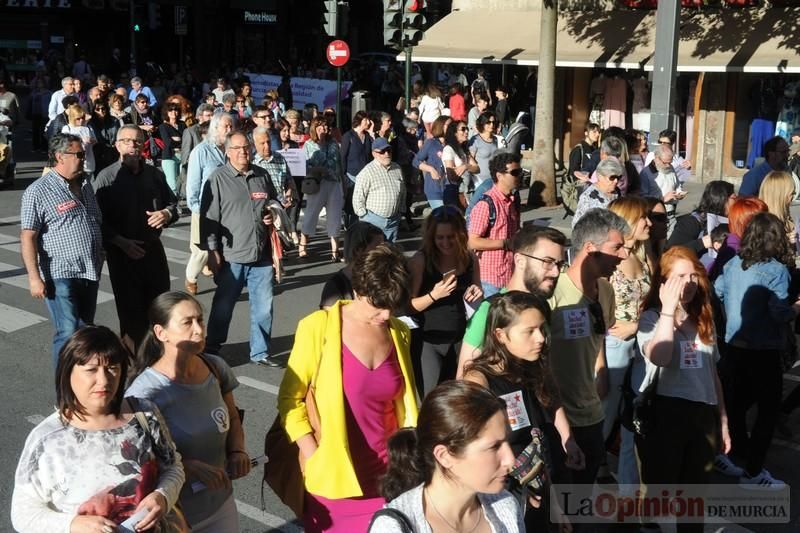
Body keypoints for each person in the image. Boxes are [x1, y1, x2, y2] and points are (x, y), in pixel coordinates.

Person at [278, 244, 420, 533]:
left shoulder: (399, 332)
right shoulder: (317, 327)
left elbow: (402, 405)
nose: (385, 315)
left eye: (392, 306)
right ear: (358, 291)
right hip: (334, 479)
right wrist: (312, 450)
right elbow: (289, 399)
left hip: (391, 478)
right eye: (378, 306)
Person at [11, 325, 185, 533]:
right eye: (91, 370)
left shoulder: (144, 414)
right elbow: (23, 513)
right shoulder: (47, 438)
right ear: (68, 373)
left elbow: (173, 467)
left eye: (112, 368)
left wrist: (163, 496)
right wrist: (71, 525)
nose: (103, 381)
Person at [126, 292, 250, 531]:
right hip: (176, 515)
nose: (199, 330)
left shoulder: (215, 367)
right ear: (161, 333)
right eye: (187, 323)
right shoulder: (143, 394)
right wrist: (187, 467)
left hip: (220, 504)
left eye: (200, 320)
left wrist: (237, 451)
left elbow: (232, 416)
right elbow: (134, 462)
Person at [463, 291, 584, 531]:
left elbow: (550, 406)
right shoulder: (479, 381)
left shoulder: (531, 365)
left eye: (541, 329)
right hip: (511, 491)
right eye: (529, 331)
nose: (540, 338)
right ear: (500, 335)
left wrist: (567, 440)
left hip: (547, 478)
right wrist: (509, 492)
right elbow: (473, 450)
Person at [637, 246, 730, 531]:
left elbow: (712, 373)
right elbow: (660, 356)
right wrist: (667, 311)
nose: (688, 283)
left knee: (694, 497)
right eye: (680, 277)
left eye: (693, 275)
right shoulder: (652, 318)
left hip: (701, 415)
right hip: (667, 413)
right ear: (663, 282)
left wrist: (723, 420)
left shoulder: (703, 317)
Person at [370, 381, 523, 533]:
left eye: (507, 442)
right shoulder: (393, 527)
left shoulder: (505, 506)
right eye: (494, 447)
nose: (510, 459)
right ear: (445, 456)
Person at [714, 212, 799, 488]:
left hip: (734, 345)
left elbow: (718, 291)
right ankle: (753, 471)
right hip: (763, 350)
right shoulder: (776, 271)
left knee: (736, 403)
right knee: (768, 409)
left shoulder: (733, 264)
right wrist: (796, 308)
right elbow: (778, 313)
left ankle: (737, 451)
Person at [548, 208, 629, 489]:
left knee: (581, 498)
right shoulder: (552, 294)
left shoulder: (605, 291)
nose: (624, 255)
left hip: (593, 416)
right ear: (590, 248)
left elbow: (598, 334)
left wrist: (601, 365)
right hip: (558, 420)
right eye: (617, 247)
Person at [93, 125, 178, 353]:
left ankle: (160, 356)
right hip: (122, 254)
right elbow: (96, 220)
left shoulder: (154, 174)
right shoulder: (106, 178)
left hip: (152, 250)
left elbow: (172, 204)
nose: (133, 145)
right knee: (132, 315)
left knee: (161, 308)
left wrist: (166, 214)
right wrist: (121, 242)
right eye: (127, 141)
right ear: (117, 145)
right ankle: (135, 366)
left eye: (138, 141)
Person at [21, 133, 103, 368]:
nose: (83, 158)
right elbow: (28, 236)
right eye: (79, 154)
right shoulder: (38, 191)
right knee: (68, 332)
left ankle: (80, 386)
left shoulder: (86, 184)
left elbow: (95, 221)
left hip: (90, 270)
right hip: (60, 272)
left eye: (84, 153)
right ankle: (64, 395)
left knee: (85, 330)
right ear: (60, 157)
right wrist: (34, 278)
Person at [200, 131, 280, 367]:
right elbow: (209, 220)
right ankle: (212, 347)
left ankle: (260, 352)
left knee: (264, 307)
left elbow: (272, 204)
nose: (243, 151)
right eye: (237, 148)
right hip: (231, 256)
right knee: (223, 307)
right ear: (227, 152)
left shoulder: (261, 175)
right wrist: (213, 254)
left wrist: (270, 215)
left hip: (261, 253)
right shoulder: (217, 179)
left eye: (246, 147)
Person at [457, 225, 568, 377]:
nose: (556, 272)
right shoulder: (489, 310)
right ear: (520, 260)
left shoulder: (542, 305)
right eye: (547, 262)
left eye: (560, 264)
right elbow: (465, 376)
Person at [604, 196, 654, 493]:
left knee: (632, 421)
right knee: (605, 418)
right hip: (613, 348)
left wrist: (638, 326)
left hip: (640, 346)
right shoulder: (611, 258)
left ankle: (627, 493)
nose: (648, 222)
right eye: (642, 218)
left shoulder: (645, 254)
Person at [409, 207, 483, 396]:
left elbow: (478, 292)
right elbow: (407, 307)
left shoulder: (469, 259)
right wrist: (434, 295)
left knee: (459, 397)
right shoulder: (421, 261)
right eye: (439, 237)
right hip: (429, 341)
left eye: (451, 237)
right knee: (431, 398)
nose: (445, 242)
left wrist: (477, 292)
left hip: (460, 338)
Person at [184, 112, 233, 294]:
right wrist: (198, 212)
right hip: (204, 210)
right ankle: (191, 277)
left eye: (231, 126)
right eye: (226, 126)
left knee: (223, 249)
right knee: (202, 250)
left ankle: (222, 280)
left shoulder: (231, 150)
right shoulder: (201, 151)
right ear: (215, 128)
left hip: (227, 210)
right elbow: (193, 188)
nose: (229, 130)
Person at [468, 152, 523, 297]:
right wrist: (505, 243)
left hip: (509, 277)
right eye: (515, 172)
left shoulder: (512, 201)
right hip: (490, 282)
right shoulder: (486, 205)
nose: (519, 175)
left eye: (520, 171)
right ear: (499, 176)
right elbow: (472, 242)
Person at [299, 116, 345, 262]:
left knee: (335, 216)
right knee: (311, 214)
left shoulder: (333, 144)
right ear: (314, 128)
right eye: (320, 126)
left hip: (334, 183)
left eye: (325, 126)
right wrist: (317, 169)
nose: (324, 129)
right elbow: (304, 167)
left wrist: (343, 183)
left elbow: (340, 165)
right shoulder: (308, 145)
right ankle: (302, 247)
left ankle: (335, 251)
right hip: (317, 183)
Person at [319, 221, 385, 309]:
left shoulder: (383, 276)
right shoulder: (336, 286)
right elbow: (330, 319)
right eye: (378, 247)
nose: (384, 251)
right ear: (358, 250)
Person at [666, 180, 735, 262]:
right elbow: (670, 254)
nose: (737, 201)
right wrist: (702, 243)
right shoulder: (691, 222)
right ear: (722, 199)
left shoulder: (729, 221)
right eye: (734, 198)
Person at [353, 137, 406, 242]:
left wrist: (401, 210)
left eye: (389, 150)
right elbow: (358, 198)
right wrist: (365, 216)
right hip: (373, 221)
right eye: (382, 151)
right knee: (373, 253)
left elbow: (403, 191)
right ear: (374, 153)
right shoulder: (367, 172)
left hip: (393, 221)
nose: (387, 154)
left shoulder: (397, 169)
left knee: (390, 253)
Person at [708, 196, 768, 282]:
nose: (769, 222)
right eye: (763, 220)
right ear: (748, 224)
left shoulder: (744, 242)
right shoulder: (732, 253)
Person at [341, 111, 373, 227]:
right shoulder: (348, 136)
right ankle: (349, 226)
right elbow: (342, 157)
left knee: (362, 204)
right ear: (359, 121)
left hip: (365, 176)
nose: (368, 122)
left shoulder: (368, 136)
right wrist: (344, 177)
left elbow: (373, 153)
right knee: (351, 204)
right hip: (351, 177)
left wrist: (372, 132)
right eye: (366, 120)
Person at [571, 157, 623, 228]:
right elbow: (577, 225)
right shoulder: (588, 198)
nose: (616, 181)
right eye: (612, 177)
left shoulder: (616, 191)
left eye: (619, 177)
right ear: (600, 176)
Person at [413, 115, 451, 210]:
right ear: (440, 126)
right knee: (441, 217)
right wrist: (431, 169)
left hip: (450, 188)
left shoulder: (452, 144)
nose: (451, 127)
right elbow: (416, 161)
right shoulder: (431, 143)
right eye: (448, 125)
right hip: (434, 188)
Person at [442, 120, 479, 209]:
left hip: (468, 191)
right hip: (456, 192)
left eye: (467, 129)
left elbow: (477, 169)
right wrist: (468, 167)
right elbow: (451, 176)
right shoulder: (448, 149)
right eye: (463, 129)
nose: (466, 131)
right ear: (454, 133)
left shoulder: (464, 150)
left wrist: (465, 166)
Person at [468, 111, 507, 190]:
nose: (492, 125)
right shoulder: (475, 140)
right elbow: (470, 160)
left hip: (494, 180)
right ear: (483, 123)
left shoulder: (496, 139)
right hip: (479, 181)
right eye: (488, 122)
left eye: (493, 122)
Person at [759, 170, 798, 247]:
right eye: (791, 193)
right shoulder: (763, 225)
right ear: (780, 195)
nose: (793, 198)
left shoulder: (785, 219)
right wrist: (786, 241)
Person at [158, 101, 186, 196]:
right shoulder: (163, 127)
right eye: (171, 110)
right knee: (172, 183)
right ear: (166, 112)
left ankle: (179, 200)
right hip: (170, 156)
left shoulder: (182, 124)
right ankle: (173, 205)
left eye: (176, 110)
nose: (174, 112)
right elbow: (168, 142)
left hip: (183, 155)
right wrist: (179, 140)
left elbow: (187, 140)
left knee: (182, 180)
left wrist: (176, 139)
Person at [61, 103, 97, 176]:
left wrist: (91, 140)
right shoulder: (67, 128)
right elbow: (65, 145)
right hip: (73, 163)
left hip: (88, 162)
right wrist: (81, 140)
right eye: (78, 118)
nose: (81, 120)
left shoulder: (88, 127)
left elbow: (95, 141)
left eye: (83, 118)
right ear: (72, 117)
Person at [88, 99, 121, 173]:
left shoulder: (114, 120)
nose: (101, 111)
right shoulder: (91, 123)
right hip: (99, 154)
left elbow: (118, 134)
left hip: (114, 152)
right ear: (94, 111)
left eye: (103, 108)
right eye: (97, 109)